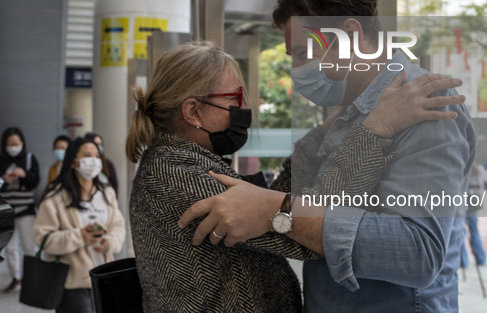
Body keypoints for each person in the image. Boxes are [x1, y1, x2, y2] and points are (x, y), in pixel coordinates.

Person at [179, 0, 476, 312]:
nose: (299, 69)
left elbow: (419, 254)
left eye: (306, 52)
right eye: (295, 57)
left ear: (349, 34)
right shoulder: (354, 110)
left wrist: (277, 208)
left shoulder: (420, 101)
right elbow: (325, 200)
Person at [126, 42, 464, 312]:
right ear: (193, 111)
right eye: (234, 99)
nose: (244, 109)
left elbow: (269, 205)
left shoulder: (188, 160)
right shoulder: (176, 174)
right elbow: (296, 230)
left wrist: (324, 135)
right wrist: (375, 131)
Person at [35, 137, 125, 313]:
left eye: (97, 156)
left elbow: (118, 225)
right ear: (74, 162)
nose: (93, 160)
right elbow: (42, 238)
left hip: (103, 278)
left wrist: (109, 242)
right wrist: (80, 236)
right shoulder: (56, 197)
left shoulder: (106, 193)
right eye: (87, 155)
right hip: (71, 282)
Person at [0, 127, 40, 292]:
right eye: (10, 144)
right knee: (9, 247)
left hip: (25, 209)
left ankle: (32, 278)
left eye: (16, 143)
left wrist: (24, 175)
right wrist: (4, 180)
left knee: (29, 245)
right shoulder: (1, 160)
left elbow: (35, 181)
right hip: (6, 210)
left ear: (22, 143)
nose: (13, 146)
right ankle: (16, 277)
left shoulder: (29, 159)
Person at [460, 163, 487, 267]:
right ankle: (481, 259)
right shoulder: (478, 170)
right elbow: (481, 189)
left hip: (461, 204)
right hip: (473, 204)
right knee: (474, 232)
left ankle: (463, 262)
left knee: (461, 233)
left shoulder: (462, 167)